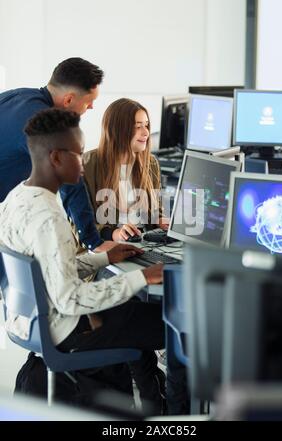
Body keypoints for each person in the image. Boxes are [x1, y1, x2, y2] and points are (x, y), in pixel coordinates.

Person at [0, 108, 165, 414]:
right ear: (56, 158)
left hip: (32, 322)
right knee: (171, 322)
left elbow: (47, 271)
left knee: (138, 324)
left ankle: (155, 410)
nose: (83, 160)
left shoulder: (17, 198)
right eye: (78, 153)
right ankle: (179, 415)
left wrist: (103, 258)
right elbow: (71, 299)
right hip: (65, 329)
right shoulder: (50, 217)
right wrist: (143, 277)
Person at [0, 57, 105, 251]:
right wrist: (93, 242)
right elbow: (71, 181)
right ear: (69, 100)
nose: (91, 107)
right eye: (89, 102)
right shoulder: (40, 120)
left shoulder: (17, 96)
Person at [82, 98, 169, 241]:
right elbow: (80, 224)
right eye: (138, 126)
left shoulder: (151, 163)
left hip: (144, 243)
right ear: (117, 130)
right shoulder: (87, 165)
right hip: (106, 247)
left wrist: (161, 221)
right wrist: (114, 234)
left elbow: (156, 212)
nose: (146, 132)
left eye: (146, 125)